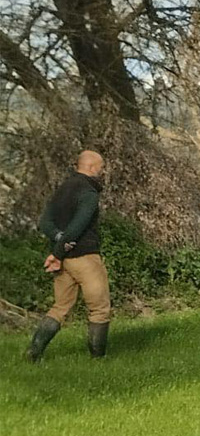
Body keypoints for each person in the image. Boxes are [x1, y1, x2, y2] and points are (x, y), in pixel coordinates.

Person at [25, 150, 111, 362]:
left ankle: (33, 353)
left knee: (60, 307)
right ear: (91, 167)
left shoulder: (62, 189)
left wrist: (57, 247)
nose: (102, 171)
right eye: (101, 167)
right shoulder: (89, 193)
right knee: (99, 308)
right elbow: (78, 227)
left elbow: (45, 223)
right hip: (86, 258)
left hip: (64, 262)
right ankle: (98, 360)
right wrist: (59, 250)